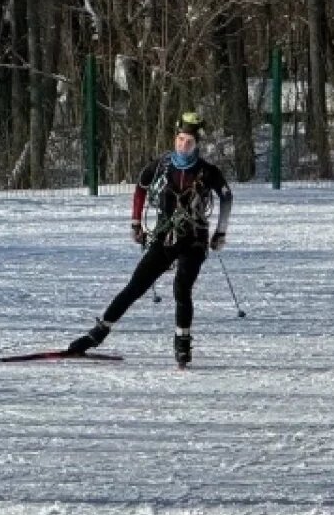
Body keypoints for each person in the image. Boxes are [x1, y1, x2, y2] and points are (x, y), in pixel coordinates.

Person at [67, 113, 233, 367]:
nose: (183, 145)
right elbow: (140, 188)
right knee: (135, 286)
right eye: (180, 140)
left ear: (197, 144)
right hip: (165, 237)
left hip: (194, 241)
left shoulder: (207, 171)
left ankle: (182, 343)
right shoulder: (162, 165)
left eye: (189, 142)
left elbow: (226, 197)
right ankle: (97, 333)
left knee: (182, 288)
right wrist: (136, 223)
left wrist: (220, 232)